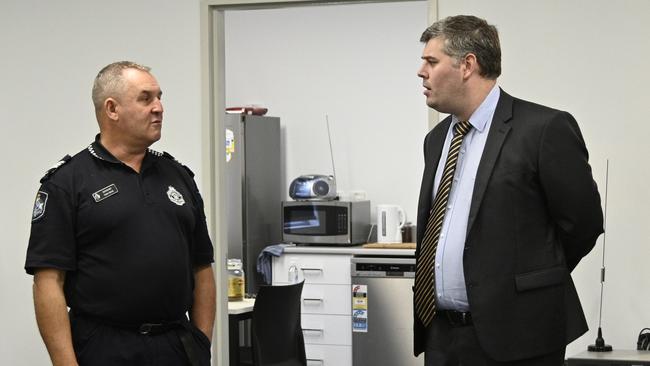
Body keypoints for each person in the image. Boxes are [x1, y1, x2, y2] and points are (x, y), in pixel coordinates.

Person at [413, 15, 603, 366]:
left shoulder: (543, 129)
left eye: (431, 61)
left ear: (467, 64)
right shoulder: (437, 140)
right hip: (441, 336)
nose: (421, 72)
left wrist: (528, 283)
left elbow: (583, 225)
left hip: (520, 336)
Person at [25, 61, 216, 366]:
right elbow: (48, 281)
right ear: (112, 109)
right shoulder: (67, 183)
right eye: (146, 98)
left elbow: (201, 266)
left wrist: (201, 342)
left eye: (160, 97)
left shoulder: (178, 175)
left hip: (176, 346)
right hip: (104, 346)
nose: (159, 107)